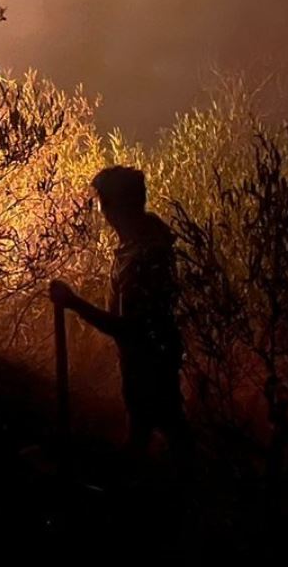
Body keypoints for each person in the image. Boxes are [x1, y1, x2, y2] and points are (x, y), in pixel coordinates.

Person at [49, 165, 190, 463]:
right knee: (157, 435)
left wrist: (73, 302)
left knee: (166, 437)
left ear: (115, 205)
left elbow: (129, 328)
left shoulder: (145, 256)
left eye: (102, 200)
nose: (99, 208)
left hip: (151, 365)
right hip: (146, 363)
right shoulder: (140, 244)